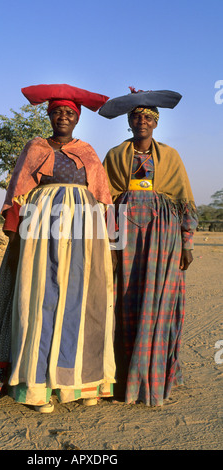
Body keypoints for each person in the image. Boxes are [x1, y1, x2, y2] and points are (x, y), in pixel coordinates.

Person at [0, 84, 116, 413]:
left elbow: (103, 199)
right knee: (39, 300)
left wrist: (108, 241)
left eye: (69, 113)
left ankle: (79, 384)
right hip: (40, 233)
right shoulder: (35, 148)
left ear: (77, 119)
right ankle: (36, 387)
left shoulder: (89, 152)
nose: (63, 117)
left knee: (80, 304)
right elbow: (18, 192)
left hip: (83, 234)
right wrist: (14, 232)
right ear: (49, 116)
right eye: (57, 112)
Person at [99, 87, 198, 406]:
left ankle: (154, 377)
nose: (142, 121)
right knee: (125, 300)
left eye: (148, 117)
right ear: (129, 122)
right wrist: (109, 243)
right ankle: (123, 376)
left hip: (163, 236)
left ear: (156, 123)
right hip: (125, 236)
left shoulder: (170, 156)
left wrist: (187, 242)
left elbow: (184, 200)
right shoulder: (115, 155)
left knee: (158, 302)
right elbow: (105, 201)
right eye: (136, 117)